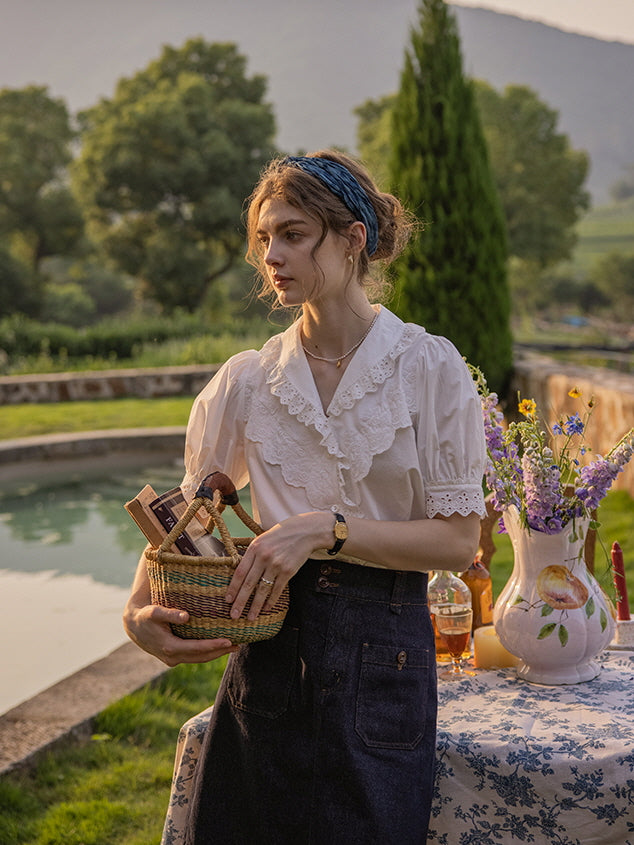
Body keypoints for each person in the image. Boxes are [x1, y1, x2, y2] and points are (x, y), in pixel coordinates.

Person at [123, 150, 487, 844]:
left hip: (387, 661)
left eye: (293, 233)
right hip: (268, 662)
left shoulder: (427, 367)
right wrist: (136, 610)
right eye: (264, 238)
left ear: (352, 239)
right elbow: (186, 517)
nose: (272, 256)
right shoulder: (247, 381)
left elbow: (455, 540)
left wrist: (326, 529)